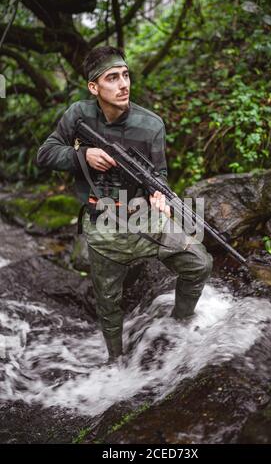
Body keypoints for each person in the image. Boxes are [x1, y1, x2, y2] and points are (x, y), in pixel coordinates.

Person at [36, 46, 213, 364]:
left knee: (200, 262)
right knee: (108, 302)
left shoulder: (152, 124)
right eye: (113, 77)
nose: (123, 84)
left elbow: (158, 175)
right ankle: (116, 362)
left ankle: (180, 324)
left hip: (145, 218)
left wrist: (159, 197)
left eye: (126, 75)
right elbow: (45, 154)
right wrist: (82, 156)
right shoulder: (78, 114)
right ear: (94, 87)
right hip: (103, 224)